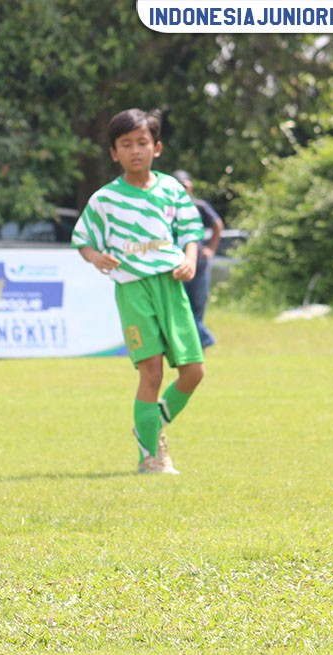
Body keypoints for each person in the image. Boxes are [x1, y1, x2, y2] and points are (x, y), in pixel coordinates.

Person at [72, 108, 205, 475]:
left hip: (172, 287)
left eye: (142, 143)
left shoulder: (171, 190)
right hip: (133, 289)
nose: (135, 151)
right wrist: (96, 256)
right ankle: (151, 457)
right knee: (151, 372)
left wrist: (190, 258)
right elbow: (82, 239)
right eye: (125, 145)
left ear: (157, 147)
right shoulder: (105, 199)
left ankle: (151, 423)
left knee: (194, 372)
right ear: (114, 153)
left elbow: (191, 229)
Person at [173, 170, 224, 348]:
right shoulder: (168, 209)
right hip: (177, 268)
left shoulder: (198, 206)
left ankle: (200, 343)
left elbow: (218, 225)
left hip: (199, 267)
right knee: (181, 309)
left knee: (197, 309)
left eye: (184, 185)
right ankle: (201, 342)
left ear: (191, 187)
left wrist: (211, 248)